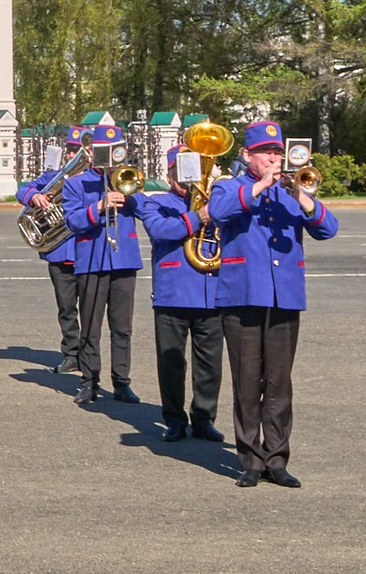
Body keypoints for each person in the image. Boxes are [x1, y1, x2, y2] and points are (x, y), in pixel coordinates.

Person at [211, 122, 340, 487]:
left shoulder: (292, 190)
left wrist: (300, 194)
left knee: (280, 382)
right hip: (242, 294)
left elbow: (328, 228)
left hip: (285, 296)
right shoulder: (230, 187)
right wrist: (261, 186)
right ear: (247, 156)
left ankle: (277, 459)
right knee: (247, 381)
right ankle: (250, 460)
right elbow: (219, 214)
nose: (273, 158)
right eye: (265, 152)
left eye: (277, 152)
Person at [133, 152, 226, 444]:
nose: (189, 178)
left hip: (211, 292)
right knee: (171, 362)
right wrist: (199, 215)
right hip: (172, 293)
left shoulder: (217, 199)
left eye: (196, 171)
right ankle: (173, 419)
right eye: (181, 171)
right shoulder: (156, 201)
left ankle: (204, 418)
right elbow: (161, 230)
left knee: (209, 363)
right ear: (170, 174)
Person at [64, 123, 144, 407]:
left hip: (124, 260)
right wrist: (99, 205)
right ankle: (89, 381)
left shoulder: (127, 178)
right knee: (91, 326)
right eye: (104, 152)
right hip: (92, 260)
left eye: (115, 150)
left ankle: (122, 382)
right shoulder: (76, 183)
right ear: (92, 152)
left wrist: (127, 189)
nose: (110, 156)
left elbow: (145, 211)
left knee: (122, 327)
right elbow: (72, 221)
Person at [15, 128, 85, 380]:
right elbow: (22, 190)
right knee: (66, 308)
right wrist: (34, 197)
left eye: (77, 150)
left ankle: (88, 356)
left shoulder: (93, 179)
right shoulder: (54, 176)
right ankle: (71, 353)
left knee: (89, 309)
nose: (71, 154)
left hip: (87, 252)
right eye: (70, 149)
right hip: (59, 252)